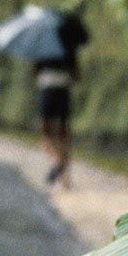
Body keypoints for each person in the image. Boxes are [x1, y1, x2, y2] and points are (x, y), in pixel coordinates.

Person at [34, 50, 77, 186]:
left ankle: (58, 162)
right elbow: (77, 75)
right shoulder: (68, 47)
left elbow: (35, 71)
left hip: (47, 91)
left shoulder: (42, 48)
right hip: (63, 91)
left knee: (45, 131)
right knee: (62, 132)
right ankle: (64, 172)